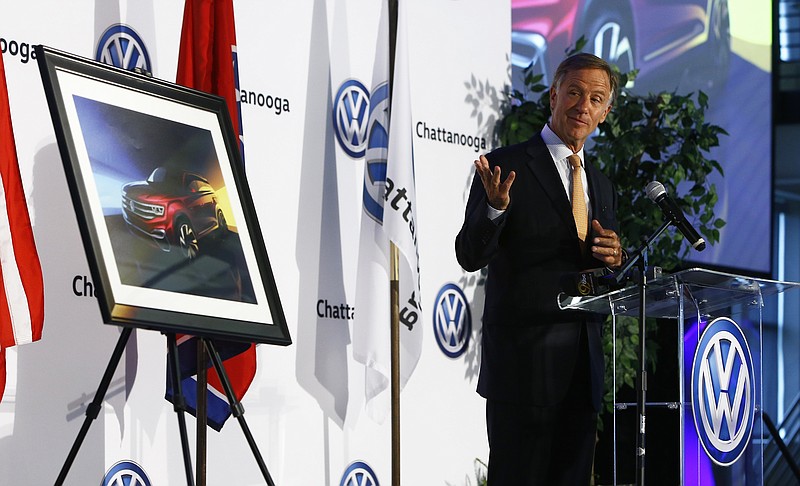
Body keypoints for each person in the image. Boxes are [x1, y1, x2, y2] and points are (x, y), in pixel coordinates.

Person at [455, 53, 624, 485]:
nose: (583, 105)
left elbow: (598, 278)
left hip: (580, 374)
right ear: (553, 95)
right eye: (574, 92)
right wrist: (494, 208)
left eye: (596, 98)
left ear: (605, 114)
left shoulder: (602, 185)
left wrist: (613, 257)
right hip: (522, 372)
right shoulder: (505, 165)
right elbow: (469, 255)